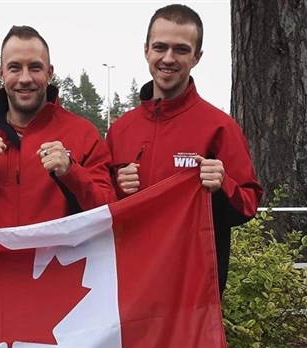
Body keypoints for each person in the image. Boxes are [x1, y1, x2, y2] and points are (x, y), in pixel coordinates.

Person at [106, 4, 264, 296]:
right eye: (160, 47)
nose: (168, 58)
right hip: (129, 286)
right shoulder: (120, 130)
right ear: (146, 51)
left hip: (193, 293)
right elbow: (100, 207)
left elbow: (248, 204)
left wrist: (222, 186)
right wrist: (117, 190)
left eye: (180, 49)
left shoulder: (220, 127)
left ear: (197, 57)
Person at [0, 25, 116, 229]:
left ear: (49, 73)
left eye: (35, 67)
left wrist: (71, 172)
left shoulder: (84, 134)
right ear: (1, 73)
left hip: (59, 261)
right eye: (14, 68)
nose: (25, 78)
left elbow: (108, 214)